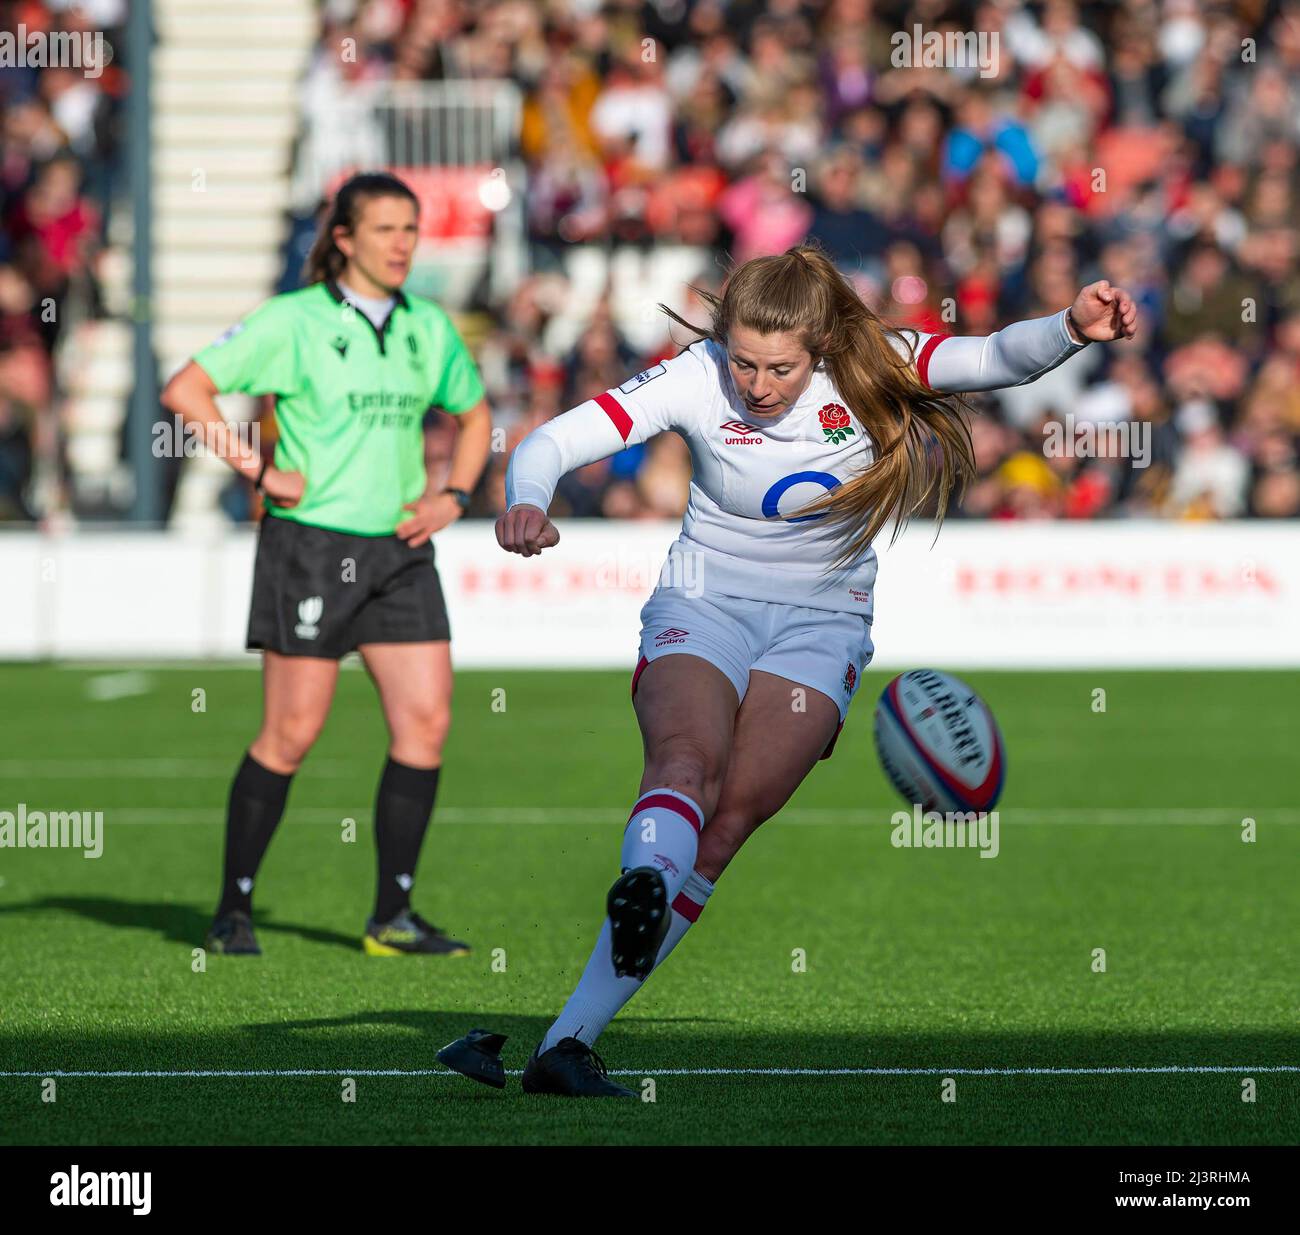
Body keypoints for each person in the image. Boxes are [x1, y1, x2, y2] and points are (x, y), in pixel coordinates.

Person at [494, 243, 1136, 1095]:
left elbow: (991, 359)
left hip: (823, 625)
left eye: (780, 368)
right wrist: (526, 496)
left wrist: (1071, 327)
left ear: (823, 346)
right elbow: (555, 437)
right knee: (685, 763)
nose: (757, 385)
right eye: (745, 363)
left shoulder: (875, 362)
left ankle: (566, 1044)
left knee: (722, 829)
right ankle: (642, 881)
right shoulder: (697, 373)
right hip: (702, 602)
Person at [161, 172, 493, 957]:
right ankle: (233, 909)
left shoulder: (428, 326)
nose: (404, 244)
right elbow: (188, 389)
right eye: (385, 229)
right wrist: (256, 467)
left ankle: (393, 917)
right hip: (310, 546)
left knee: (427, 725)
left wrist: (453, 494)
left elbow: (475, 415)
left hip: (401, 548)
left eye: (411, 229)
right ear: (343, 238)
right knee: (292, 732)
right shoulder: (294, 320)